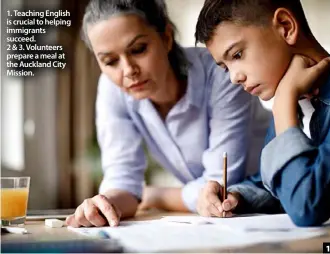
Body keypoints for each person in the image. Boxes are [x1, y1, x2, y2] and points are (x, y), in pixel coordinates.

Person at [65, 0, 270, 228]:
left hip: (269, 201)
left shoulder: (221, 71)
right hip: (218, 220)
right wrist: (104, 204)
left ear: (166, 37)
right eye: (110, 61)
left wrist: (158, 196)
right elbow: (122, 179)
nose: (128, 70)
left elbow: (221, 183)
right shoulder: (113, 89)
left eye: (139, 49)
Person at [195, 0, 330, 226]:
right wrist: (235, 197)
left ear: (286, 26)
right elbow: (276, 184)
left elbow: (306, 207)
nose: (233, 77)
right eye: (225, 67)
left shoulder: (285, 105)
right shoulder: (293, 105)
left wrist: (284, 105)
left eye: (238, 54)